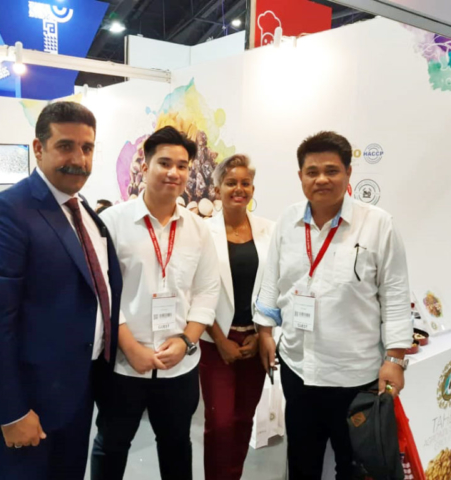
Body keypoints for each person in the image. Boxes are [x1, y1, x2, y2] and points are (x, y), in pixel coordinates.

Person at [254, 131, 412, 480]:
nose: (321, 179)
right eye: (312, 172)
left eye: (331, 170)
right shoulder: (288, 222)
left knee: (353, 467)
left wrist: (395, 359)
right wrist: (264, 331)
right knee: (302, 462)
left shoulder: (378, 225)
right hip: (299, 367)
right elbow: (271, 282)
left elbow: (396, 295)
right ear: (300, 176)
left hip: (356, 375)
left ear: (348, 173)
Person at [0, 102, 122, 479]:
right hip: (31, 406)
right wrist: (11, 411)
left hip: (79, 392)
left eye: (87, 148)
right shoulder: (5, 212)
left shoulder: (84, 210)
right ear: (38, 149)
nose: (79, 159)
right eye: (65, 146)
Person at [91, 126, 220, 480]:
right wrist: (130, 347)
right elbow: (102, 292)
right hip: (123, 365)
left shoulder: (198, 229)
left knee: (177, 444)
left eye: (182, 166)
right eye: (164, 163)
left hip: (179, 365)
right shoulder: (112, 223)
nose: (174, 172)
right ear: (145, 165)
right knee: (112, 445)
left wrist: (187, 340)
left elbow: (207, 291)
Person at [199, 154, 275, 480]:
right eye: (231, 183)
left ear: (253, 189)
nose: (239, 189)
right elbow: (195, 291)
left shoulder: (270, 230)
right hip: (216, 340)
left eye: (246, 183)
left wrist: (262, 334)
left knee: (244, 420)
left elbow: (275, 287)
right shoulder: (202, 231)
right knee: (219, 423)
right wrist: (220, 340)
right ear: (217, 189)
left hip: (255, 341)